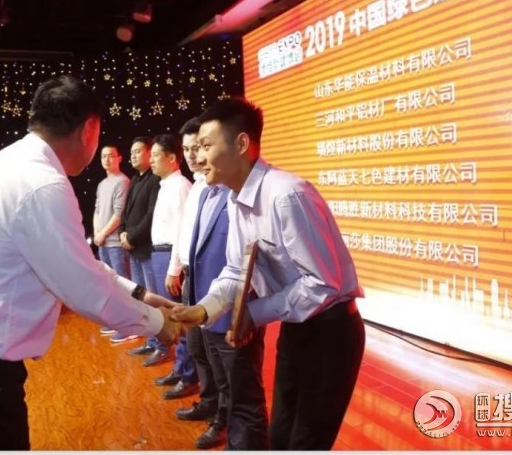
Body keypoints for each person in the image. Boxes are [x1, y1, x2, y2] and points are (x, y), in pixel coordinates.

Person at [0, 75, 182, 450]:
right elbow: (83, 288)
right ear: (88, 129)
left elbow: (75, 264)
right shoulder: (42, 183)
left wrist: (140, 295)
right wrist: (158, 323)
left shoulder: (14, 163)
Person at [172, 97, 366, 450]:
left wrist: (253, 314)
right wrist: (204, 309)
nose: (198, 157)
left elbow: (323, 285)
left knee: (306, 441)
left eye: (206, 146)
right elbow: (236, 269)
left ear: (241, 144)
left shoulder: (286, 195)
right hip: (297, 329)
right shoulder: (235, 199)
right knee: (280, 437)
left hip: (331, 333)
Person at [184, 179, 269, 450]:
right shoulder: (204, 194)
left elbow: (252, 265)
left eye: (206, 154)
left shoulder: (250, 195)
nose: (198, 158)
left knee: (244, 395)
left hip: (236, 312)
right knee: (224, 383)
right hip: (210, 304)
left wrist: (251, 314)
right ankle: (226, 429)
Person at [142, 133, 192, 369]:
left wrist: (174, 269)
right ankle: (179, 366)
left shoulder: (180, 186)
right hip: (159, 253)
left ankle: (185, 370)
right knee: (166, 311)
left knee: (177, 313)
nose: (150, 160)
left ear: (171, 158)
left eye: (155, 155)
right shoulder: (166, 186)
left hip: (170, 254)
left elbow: (182, 230)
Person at [122, 137, 162, 357]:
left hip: (146, 249)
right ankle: (150, 340)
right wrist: (122, 232)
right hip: (133, 249)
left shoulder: (154, 179)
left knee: (151, 298)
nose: (133, 156)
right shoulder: (135, 180)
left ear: (149, 154)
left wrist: (132, 237)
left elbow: (151, 215)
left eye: (138, 151)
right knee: (139, 299)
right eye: (132, 153)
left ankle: (161, 345)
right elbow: (126, 212)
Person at [92, 144, 132, 339]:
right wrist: (96, 232)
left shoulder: (122, 181)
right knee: (109, 286)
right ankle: (118, 322)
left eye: (110, 156)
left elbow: (119, 214)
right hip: (103, 243)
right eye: (103, 156)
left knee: (122, 286)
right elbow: (97, 210)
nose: (106, 160)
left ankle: (129, 326)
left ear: (119, 158)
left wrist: (103, 234)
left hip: (115, 244)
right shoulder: (102, 184)